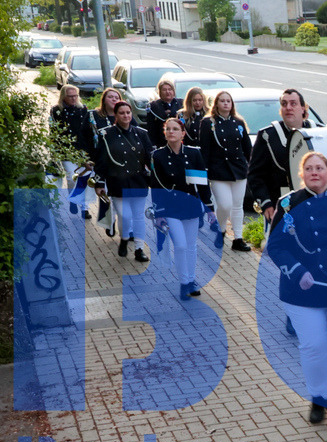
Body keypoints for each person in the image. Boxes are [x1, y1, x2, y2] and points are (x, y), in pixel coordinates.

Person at [265, 152, 327, 423]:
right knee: (313, 344)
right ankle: (317, 396)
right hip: (302, 289)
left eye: (319, 168)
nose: (314, 172)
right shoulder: (288, 204)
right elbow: (275, 246)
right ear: (302, 174)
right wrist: (298, 271)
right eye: (308, 168)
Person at [249, 88, 319, 336]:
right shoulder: (268, 136)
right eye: (284, 103)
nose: (288, 107)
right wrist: (267, 204)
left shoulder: (317, 132)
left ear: (303, 108)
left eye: (293, 103)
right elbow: (255, 175)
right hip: (284, 209)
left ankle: (315, 306)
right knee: (290, 262)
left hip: (315, 209)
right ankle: (293, 313)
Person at [150, 117, 216, 300]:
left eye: (175, 129)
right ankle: (184, 282)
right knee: (179, 245)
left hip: (190, 206)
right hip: (170, 208)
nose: (171, 132)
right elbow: (156, 186)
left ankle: (191, 280)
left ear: (183, 133)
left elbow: (202, 185)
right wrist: (159, 213)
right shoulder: (158, 156)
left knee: (191, 247)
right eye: (168, 129)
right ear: (164, 133)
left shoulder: (194, 154)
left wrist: (209, 207)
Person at [93, 101, 152, 262]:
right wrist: (99, 183)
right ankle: (124, 239)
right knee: (124, 216)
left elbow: (150, 158)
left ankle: (139, 248)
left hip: (138, 181)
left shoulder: (141, 133)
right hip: (117, 182)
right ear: (116, 115)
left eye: (128, 112)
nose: (126, 116)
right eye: (122, 113)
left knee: (139, 216)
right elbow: (101, 161)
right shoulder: (106, 134)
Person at [200, 90, 253, 252]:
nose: (225, 104)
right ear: (216, 104)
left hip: (238, 169)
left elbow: (247, 148)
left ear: (232, 104)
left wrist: (252, 166)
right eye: (222, 101)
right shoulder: (208, 122)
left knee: (237, 206)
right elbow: (205, 150)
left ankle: (238, 238)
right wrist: (205, 172)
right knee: (224, 205)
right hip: (218, 171)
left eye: (228, 101)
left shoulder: (238, 122)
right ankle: (221, 230)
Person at [50, 84, 95, 219]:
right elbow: (53, 131)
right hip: (66, 150)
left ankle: (85, 208)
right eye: (70, 96)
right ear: (64, 96)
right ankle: (73, 198)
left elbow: (89, 131)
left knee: (86, 179)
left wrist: (91, 151)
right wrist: (54, 151)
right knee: (71, 178)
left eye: (75, 96)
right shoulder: (56, 111)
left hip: (83, 150)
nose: (74, 99)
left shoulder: (84, 110)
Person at [146, 77, 183, 149]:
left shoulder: (181, 104)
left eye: (170, 89)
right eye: (164, 90)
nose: (167, 92)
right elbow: (151, 128)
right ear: (160, 92)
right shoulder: (154, 106)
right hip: (161, 142)